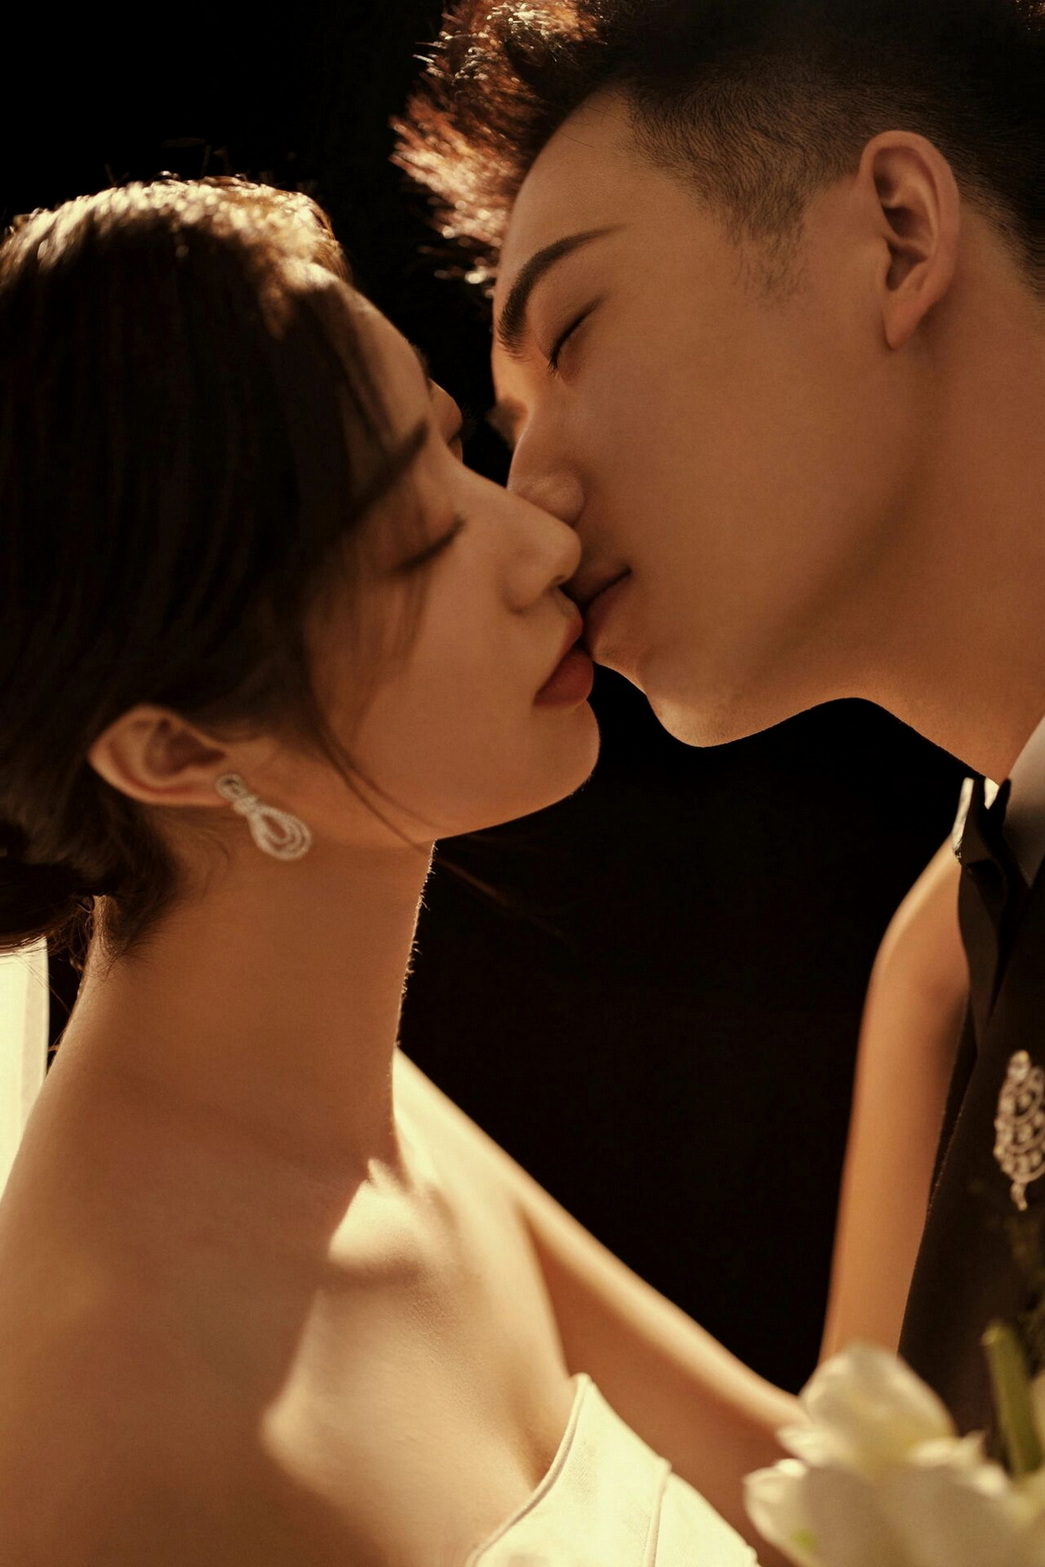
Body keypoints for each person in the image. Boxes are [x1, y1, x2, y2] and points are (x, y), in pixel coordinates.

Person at [0, 177, 799, 1565]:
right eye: (417, 541)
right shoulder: (127, 1448)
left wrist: (933, 986)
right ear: (179, 748)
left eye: (450, 447)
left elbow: (838, 1516)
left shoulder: (354, 1118)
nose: (540, 542)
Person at [396, 0, 1045, 1438]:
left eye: (574, 332)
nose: (532, 504)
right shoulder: (961, 941)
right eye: (505, 432)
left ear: (896, 233)